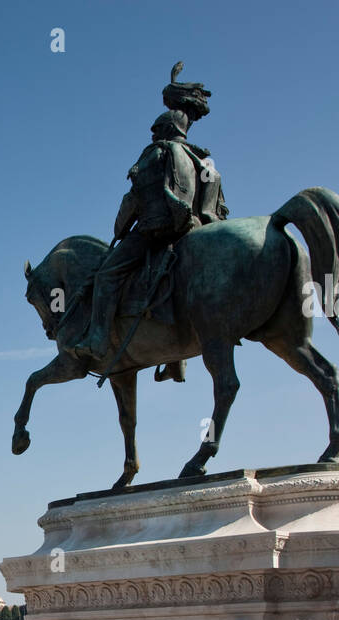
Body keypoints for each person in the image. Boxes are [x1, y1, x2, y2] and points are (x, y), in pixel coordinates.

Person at [73, 63, 228, 382]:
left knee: (106, 276)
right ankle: (176, 360)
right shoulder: (205, 163)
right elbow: (216, 213)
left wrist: (119, 228)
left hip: (156, 233)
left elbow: (135, 200)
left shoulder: (155, 153)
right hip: (193, 234)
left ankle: (98, 340)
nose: (152, 134)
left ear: (162, 129)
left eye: (155, 130)